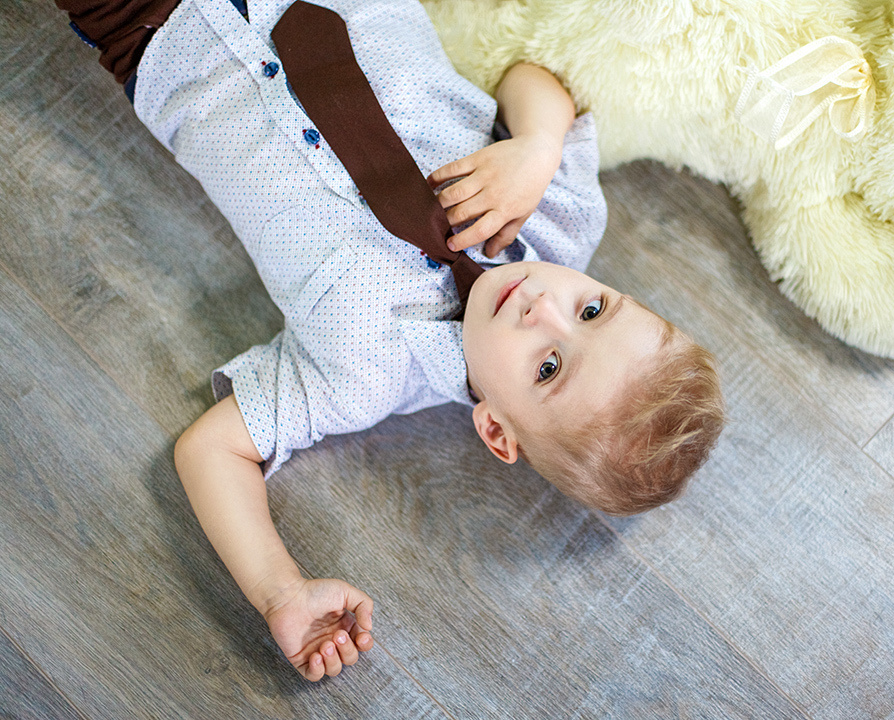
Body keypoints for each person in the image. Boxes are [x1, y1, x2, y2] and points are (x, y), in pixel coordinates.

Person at [57, 0, 725, 682]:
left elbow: (211, 449)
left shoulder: (361, 375)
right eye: (592, 309)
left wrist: (279, 589)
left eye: (549, 367)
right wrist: (535, 146)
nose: (542, 309)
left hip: (159, 33)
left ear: (497, 431)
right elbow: (537, 79)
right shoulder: (563, 214)